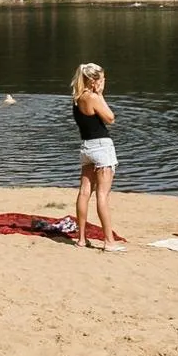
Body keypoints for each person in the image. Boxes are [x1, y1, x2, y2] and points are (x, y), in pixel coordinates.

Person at [71, 62, 123, 251]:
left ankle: (81, 239)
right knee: (102, 195)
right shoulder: (93, 97)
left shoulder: (76, 98)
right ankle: (108, 241)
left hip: (86, 147)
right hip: (101, 147)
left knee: (84, 192)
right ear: (94, 81)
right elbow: (110, 118)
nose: (104, 82)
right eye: (102, 79)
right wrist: (100, 94)